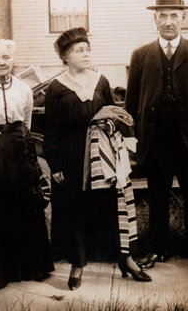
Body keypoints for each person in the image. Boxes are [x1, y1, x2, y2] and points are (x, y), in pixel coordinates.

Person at [44, 27, 151, 290]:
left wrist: (124, 140)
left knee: (113, 206)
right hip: (71, 158)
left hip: (102, 155)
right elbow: (50, 130)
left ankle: (125, 258)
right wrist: (55, 164)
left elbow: (116, 113)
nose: (86, 53)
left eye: (88, 49)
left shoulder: (100, 81)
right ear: (66, 57)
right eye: (80, 50)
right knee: (76, 210)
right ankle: (78, 264)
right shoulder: (56, 88)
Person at [125, 0, 188, 271]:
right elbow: (130, 103)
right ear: (154, 20)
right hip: (155, 141)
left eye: (174, 16)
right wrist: (131, 136)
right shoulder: (141, 55)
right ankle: (158, 249)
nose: (168, 21)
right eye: (163, 16)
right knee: (158, 197)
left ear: (183, 19)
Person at [0, 39, 54, 292]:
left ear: (13, 60)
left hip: (19, 149)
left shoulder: (24, 89)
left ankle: (31, 268)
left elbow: (26, 122)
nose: (2, 62)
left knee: (27, 207)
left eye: (6, 57)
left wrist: (22, 145)